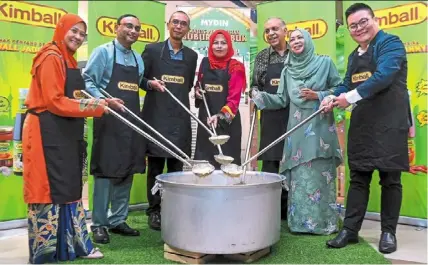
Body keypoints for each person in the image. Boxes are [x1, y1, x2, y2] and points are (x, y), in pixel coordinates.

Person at [321, 3, 410, 253]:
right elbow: (346, 83)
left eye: (363, 22)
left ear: (374, 20)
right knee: (358, 178)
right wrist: (331, 97)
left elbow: (384, 76)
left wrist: (348, 98)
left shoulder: (390, 43)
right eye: (353, 26)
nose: (359, 28)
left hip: (390, 123)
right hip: (363, 126)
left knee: (390, 179)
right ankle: (350, 230)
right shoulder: (353, 56)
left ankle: (388, 232)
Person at [23, 14, 106, 263]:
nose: (78, 37)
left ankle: (74, 246)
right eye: (74, 31)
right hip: (44, 133)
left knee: (69, 187)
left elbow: (75, 95)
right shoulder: (50, 57)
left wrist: (105, 101)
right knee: (47, 189)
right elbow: (54, 101)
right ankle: (46, 253)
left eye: (82, 34)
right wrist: (96, 107)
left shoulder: (67, 59)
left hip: (64, 133)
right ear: (61, 29)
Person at [251, 29, 343, 235]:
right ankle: (300, 223)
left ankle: (323, 222)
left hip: (320, 130)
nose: (296, 41)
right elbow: (282, 99)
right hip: (297, 131)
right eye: (292, 39)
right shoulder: (287, 71)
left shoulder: (324, 64)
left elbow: (339, 88)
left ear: (308, 40)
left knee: (321, 174)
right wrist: (260, 97)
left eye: (300, 37)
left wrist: (318, 95)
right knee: (300, 177)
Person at [83, 14, 146, 244]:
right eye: (129, 26)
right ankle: (99, 224)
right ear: (117, 28)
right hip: (108, 121)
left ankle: (118, 219)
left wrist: (151, 84)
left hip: (131, 122)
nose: (133, 30)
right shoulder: (104, 52)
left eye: (137, 28)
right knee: (106, 173)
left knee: (127, 170)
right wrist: (105, 101)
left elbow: (138, 83)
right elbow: (88, 82)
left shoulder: (138, 59)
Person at [139, 11, 198, 230]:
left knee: (176, 166)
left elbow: (189, 84)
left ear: (187, 29)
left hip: (180, 118)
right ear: (169, 24)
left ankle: (174, 208)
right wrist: (150, 85)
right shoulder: (152, 51)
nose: (179, 26)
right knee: (155, 166)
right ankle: (154, 210)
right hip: (156, 117)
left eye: (184, 24)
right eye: (176, 22)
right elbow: (140, 79)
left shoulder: (192, 56)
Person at [252, 17, 290, 219]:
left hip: (294, 115)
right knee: (270, 162)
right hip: (271, 118)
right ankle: (271, 210)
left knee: (293, 162)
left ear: (285, 31)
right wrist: (255, 95)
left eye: (275, 29)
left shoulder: (297, 53)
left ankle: (291, 210)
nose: (271, 33)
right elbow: (256, 85)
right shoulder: (261, 57)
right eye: (267, 31)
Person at [193, 30, 247, 168]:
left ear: (229, 45)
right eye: (215, 43)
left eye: (223, 43)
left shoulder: (236, 67)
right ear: (210, 45)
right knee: (204, 166)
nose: (219, 46)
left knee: (227, 167)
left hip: (227, 124)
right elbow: (199, 84)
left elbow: (234, 100)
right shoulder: (204, 63)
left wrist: (220, 116)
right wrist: (197, 91)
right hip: (206, 121)